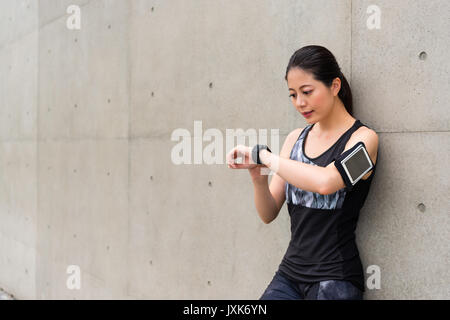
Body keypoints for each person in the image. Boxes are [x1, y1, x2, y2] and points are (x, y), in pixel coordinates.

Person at [226, 45, 379, 300]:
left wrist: (264, 155)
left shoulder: (364, 142)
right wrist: (258, 176)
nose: (300, 103)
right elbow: (268, 212)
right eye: (293, 95)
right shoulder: (295, 140)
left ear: (334, 86)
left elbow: (327, 182)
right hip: (289, 276)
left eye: (307, 92)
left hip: (336, 279)